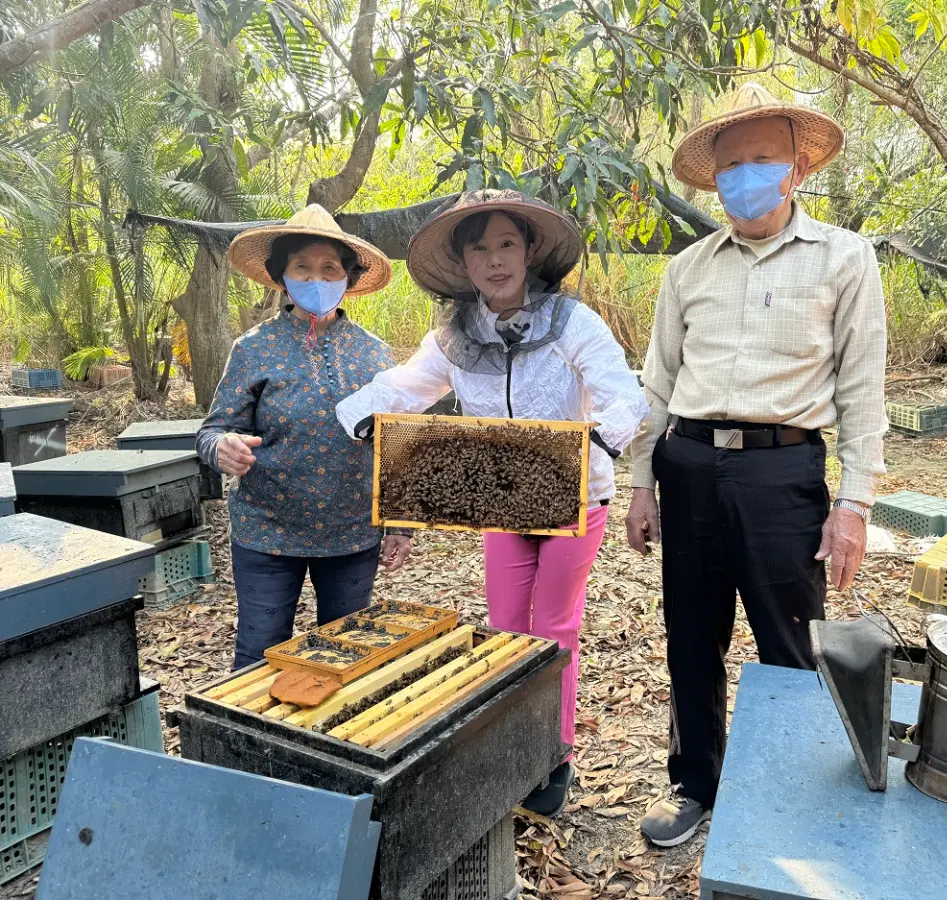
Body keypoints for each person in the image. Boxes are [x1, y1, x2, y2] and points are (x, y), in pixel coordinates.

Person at [626, 83, 888, 847]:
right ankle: (696, 786)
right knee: (691, 635)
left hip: (784, 474)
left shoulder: (845, 259)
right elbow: (658, 382)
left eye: (762, 160)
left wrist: (855, 505)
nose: (746, 176)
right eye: (731, 164)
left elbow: (863, 388)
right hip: (690, 465)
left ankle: (791, 798)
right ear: (714, 178)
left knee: (792, 641)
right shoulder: (689, 269)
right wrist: (641, 481)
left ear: (796, 169)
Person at [336, 189, 648, 817]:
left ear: (530, 250)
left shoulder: (573, 322)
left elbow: (621, 394)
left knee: (554, 626)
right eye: (479, 249)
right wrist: (363, 414)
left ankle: (554, 752)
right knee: (506, 626)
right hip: (500, 500)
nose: (495, 260)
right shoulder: (456, 334)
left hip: (572, 499)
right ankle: (510, 745)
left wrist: (598, 446)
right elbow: (406, 383)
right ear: (463, 263)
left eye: (506, 244)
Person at [197, 204, 410, 670]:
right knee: (260, 655)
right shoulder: (252, 348)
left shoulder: (376, 354)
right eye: (302, 267)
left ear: (348, 277)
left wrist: (400, 525)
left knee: (347, 657)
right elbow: (212, 431)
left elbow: (397, 445)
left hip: (353, 534)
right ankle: (250, 742)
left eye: (329, 268)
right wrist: (222, 449)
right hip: (266, 531)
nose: (316, 279)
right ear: (282, 276)